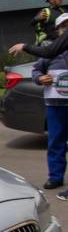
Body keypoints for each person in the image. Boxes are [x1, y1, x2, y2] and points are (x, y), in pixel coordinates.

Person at [31, 14, 68, 195]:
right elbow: (36, 69)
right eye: (64, 25)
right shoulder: (50, 49)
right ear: (58, 29)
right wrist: (40, 78)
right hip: (55, 104)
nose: (66, 28)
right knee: (55, 141)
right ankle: (55, 176)